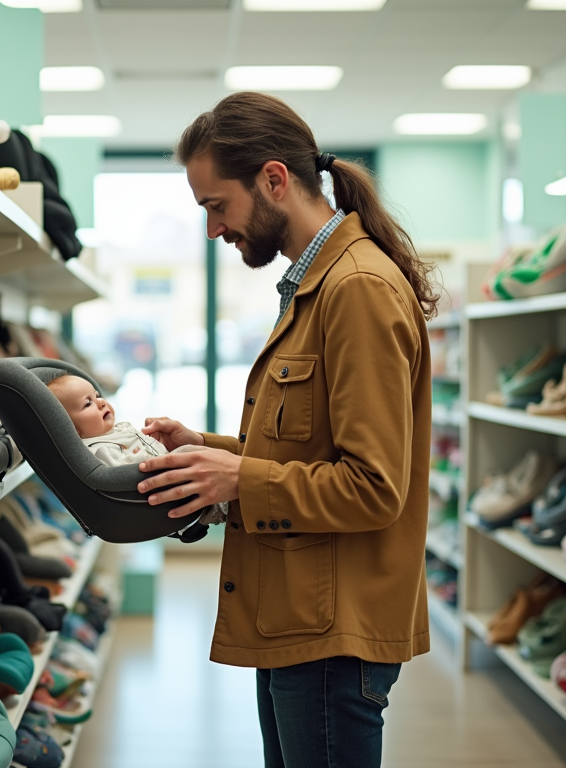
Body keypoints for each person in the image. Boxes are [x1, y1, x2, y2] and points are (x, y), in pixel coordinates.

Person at [135, 91, 438, 768]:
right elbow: (305, 450)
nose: (213, 230)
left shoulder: (355, 288)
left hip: (335, 632)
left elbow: (372, 487)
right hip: (301, 616)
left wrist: (240, 478)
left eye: (217, 206)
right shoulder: (314, 286)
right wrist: (207, 452)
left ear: (274, 180)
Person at [45, 373, 225, 525]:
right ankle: (220, 504)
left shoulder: (117, 430)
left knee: (196, 454)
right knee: (193, 455)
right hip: (154, 485)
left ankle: (220, 500)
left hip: (165, 473)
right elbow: (120, 477)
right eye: (88, 403)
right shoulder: (99, 450)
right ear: (72, 429)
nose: (101, 402)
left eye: (97, 395)